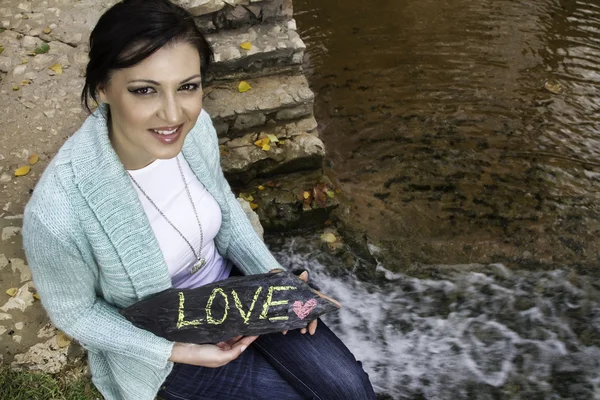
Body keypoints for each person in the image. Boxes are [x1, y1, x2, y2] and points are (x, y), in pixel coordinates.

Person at [22, 0, 376, 399]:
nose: (173, 115)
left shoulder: (196, 130)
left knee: (352, 390)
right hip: (163, 336)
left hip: (238, 294)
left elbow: (223, 206)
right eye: (144, 90)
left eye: (187, 87)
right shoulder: (58, 213)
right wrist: (177, 351)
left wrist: (278, 284)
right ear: (103, 88)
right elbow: (76, 313)